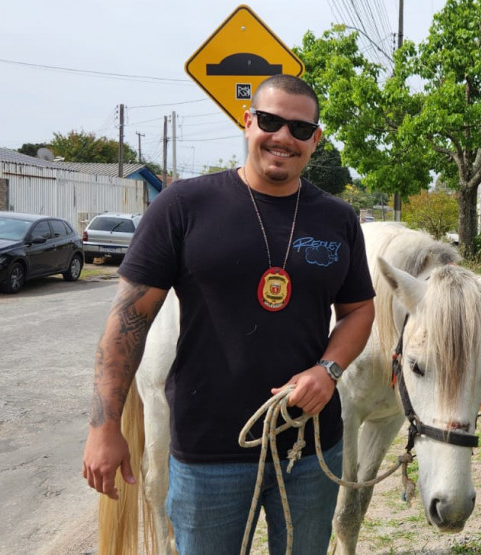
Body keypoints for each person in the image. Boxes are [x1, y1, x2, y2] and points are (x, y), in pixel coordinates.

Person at [82, 74, 376, 554]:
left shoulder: (338, 219)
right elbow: (126, 323)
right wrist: (104, 426)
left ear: (315, 140)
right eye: (270, 121)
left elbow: (359, 310)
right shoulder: (183, 206)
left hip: (310, 447)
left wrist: (329, 369)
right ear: (247, 122)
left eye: (300, 129)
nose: (283, 137)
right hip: (208, 455)